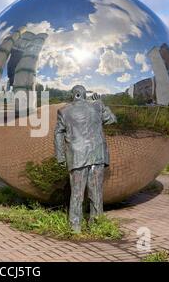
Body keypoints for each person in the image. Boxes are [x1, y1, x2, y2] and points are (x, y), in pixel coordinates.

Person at [54, 85, 117, 233]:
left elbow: (58, 134)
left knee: (76, 193)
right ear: (84, 94)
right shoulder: (96, 107)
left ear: (73, 95)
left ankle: (75, 227)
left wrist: (60, 156)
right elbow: (112, 120)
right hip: (97, 155)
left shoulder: (64, 111)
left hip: (77, 156)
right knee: (96, 192)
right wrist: (102, 105)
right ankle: (96, 224)